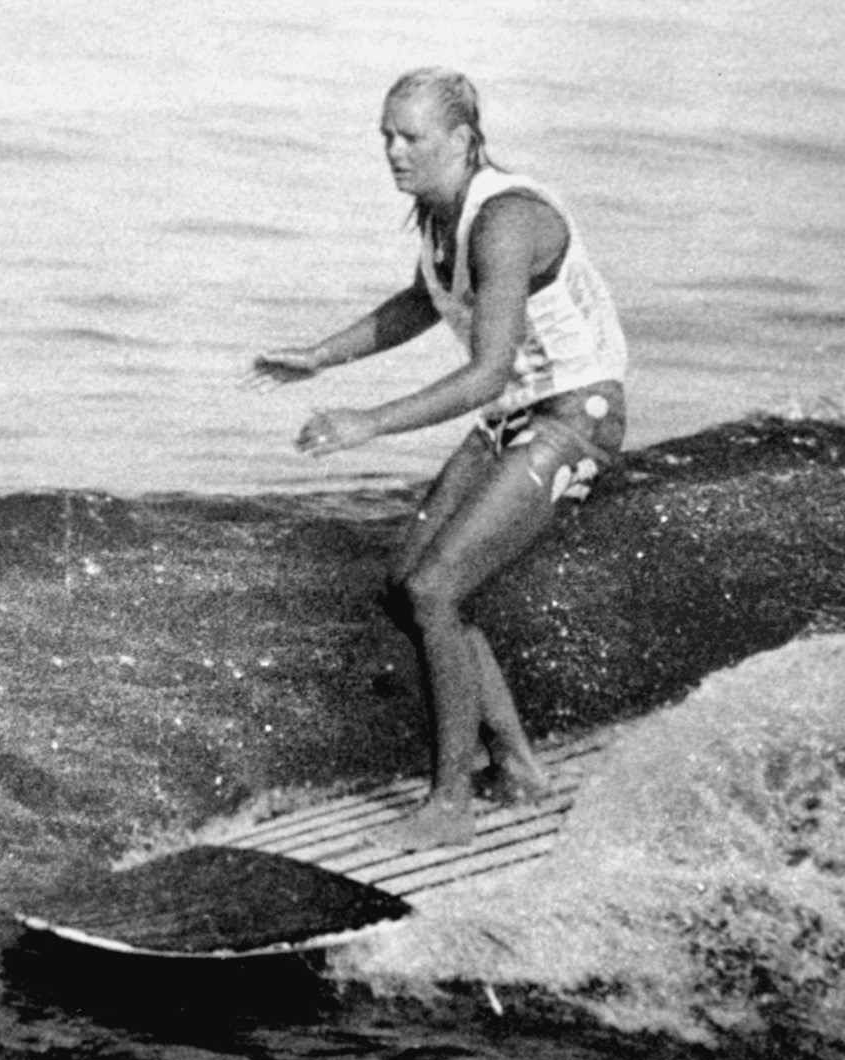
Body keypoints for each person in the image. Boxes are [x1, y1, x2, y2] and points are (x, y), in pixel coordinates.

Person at [249, 67, 627, 850]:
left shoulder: (506, 218)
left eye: (409, 137)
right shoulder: (440, 213)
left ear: (459, 139)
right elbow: (425, 299)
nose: (391, 150)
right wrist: (320, 357)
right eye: (385, 134)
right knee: (409, 589)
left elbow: (487, 371)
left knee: (435, 588)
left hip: (572, 417)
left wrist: (370, 422)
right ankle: (518, 768)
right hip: (515, 417)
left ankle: (449, 803)